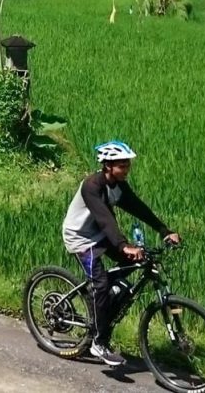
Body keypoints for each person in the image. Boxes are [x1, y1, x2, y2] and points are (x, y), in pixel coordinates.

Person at [62, 140, 180, 367]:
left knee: (139, 262)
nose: (126, 169)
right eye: (122, 165)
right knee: (101, 284)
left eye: (127, 165)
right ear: (107, 165)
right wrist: (123, 245)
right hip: (82, 238)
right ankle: (98, 342)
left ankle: (109, 300)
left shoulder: (119, 186)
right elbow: (105, 219)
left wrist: (164, 230)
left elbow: (139, 208)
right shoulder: (92, 186)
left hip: (101, 235)